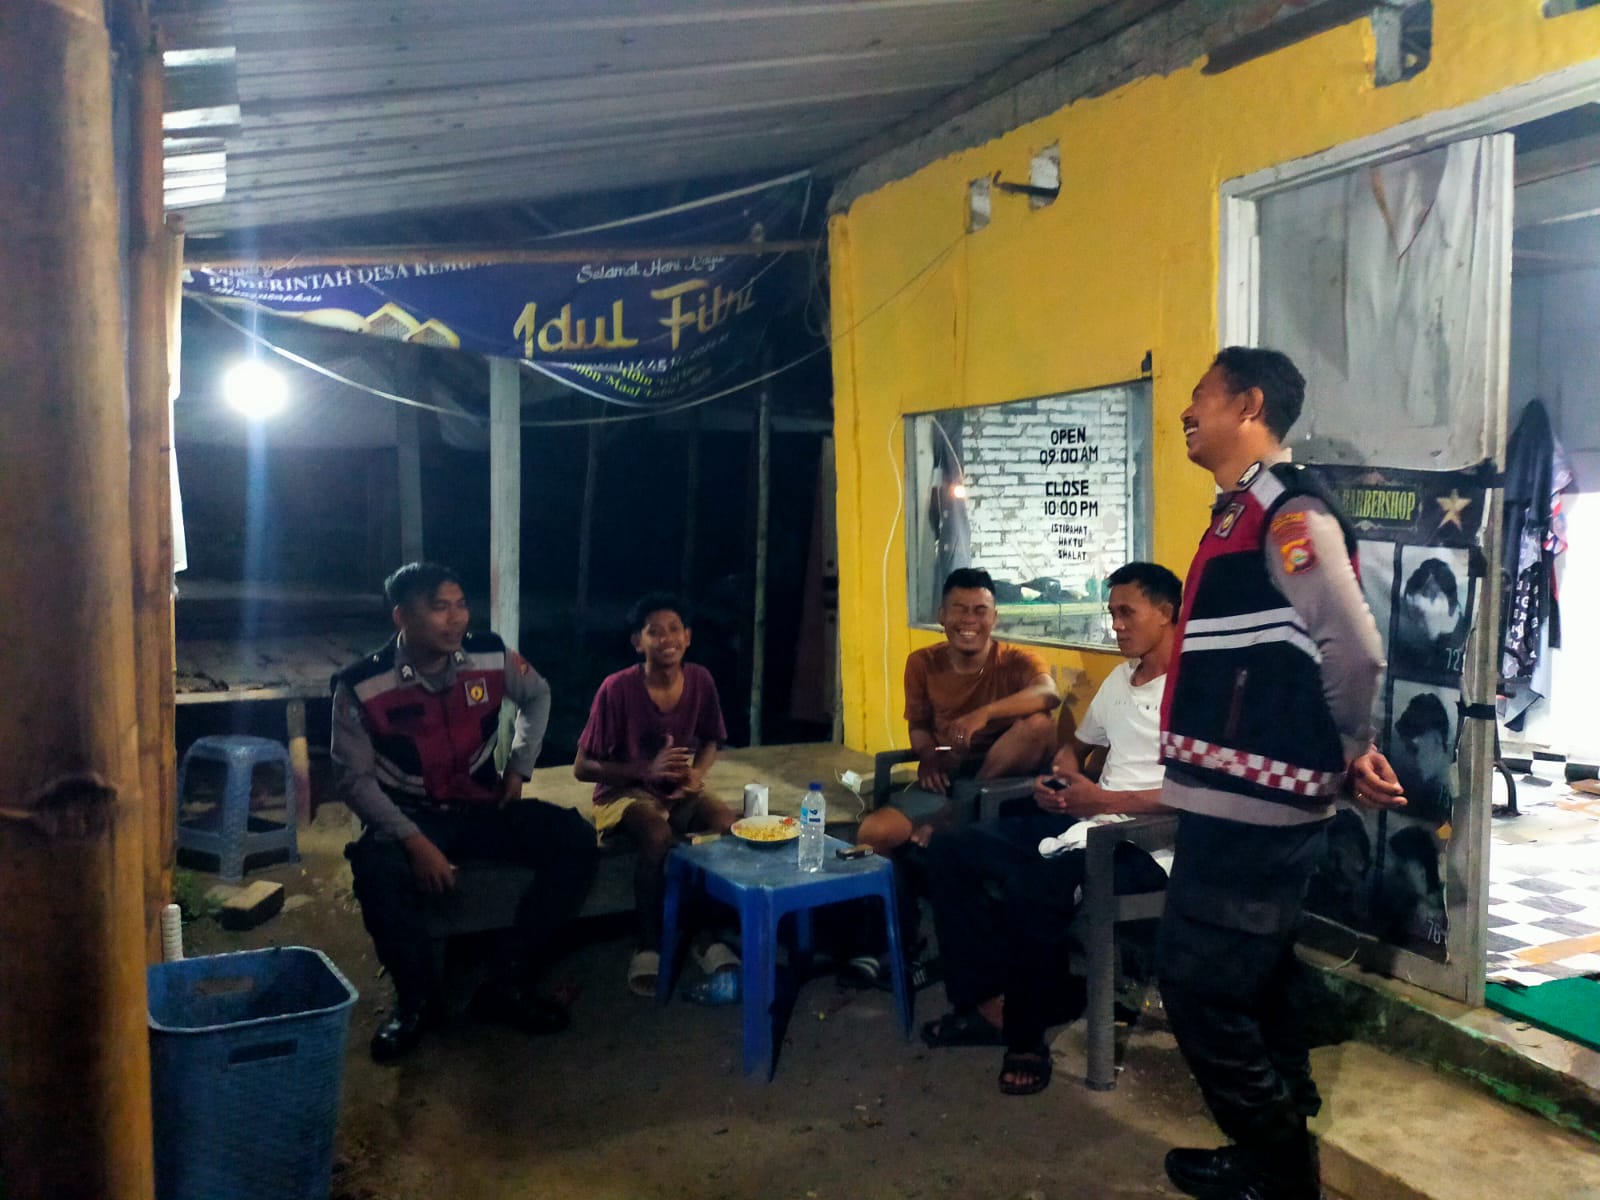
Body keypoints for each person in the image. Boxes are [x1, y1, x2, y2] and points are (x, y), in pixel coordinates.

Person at [1157, 348, 1405, 1200]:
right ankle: (1280, 1133)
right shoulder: (1239, 512)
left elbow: (1356, 651)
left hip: (1255, 805)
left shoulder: (1286, 513)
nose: (1186, 412)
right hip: (1234, 795)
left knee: (1196, 985)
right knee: (1256, 978)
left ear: (1249, 405)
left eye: (1200, 396)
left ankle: (1277, 1166)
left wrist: (1349, 743)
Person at [914, 563, 1179, 1095]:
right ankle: (990, 1002)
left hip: (1146, 844)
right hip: (1088, 820)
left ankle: (1026, 1037)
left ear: (1166, 613)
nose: (1116, 625)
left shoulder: (1192, 690)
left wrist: (1101, 799)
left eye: (1126, 613)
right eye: (1112, 613)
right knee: (949, 850)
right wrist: (1062, 777)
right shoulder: (1120, 680)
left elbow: (1195, 794)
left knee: (1033, 886)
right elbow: (1075, 747)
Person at [333, 562, 598, 1063]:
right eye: (439, 608)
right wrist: (416, 842)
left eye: (460, 605)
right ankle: (415, 1002)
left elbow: (537, 694)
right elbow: (354, 781)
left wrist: (518, 767)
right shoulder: (361, 684)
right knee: (375, 870)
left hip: (481, 805)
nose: (455, 619)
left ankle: (508, 981)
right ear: (401, 617)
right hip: (408, 815)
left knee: (574, 839)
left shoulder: (489, 654)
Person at [574, 593, 738, 999]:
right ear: (638, 642)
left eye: (674, 630)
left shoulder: (700, 680)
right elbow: (582, 766)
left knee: (725, 824)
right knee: (657, 835)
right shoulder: (616, 689)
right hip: (623, 792)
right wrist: (644, 770)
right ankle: (648, 943)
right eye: (654, 631)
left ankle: (704, 935)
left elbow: (712, 740)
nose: (666, 639)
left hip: (676, 790)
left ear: (688, 637)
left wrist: (696, 775)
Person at [857, 566, 1060, 856]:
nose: (969, 620)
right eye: (960, 609)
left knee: (1040, 724)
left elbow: (1049, 694)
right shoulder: (922, 663)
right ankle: (910, 888)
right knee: (872, 833)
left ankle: (956, 813)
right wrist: (928, 756)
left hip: (1003, 783)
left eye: (980, 611)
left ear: (994, 618)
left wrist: (984, 714)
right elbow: (919, 725)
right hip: (949, 779)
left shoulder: (1017, 660)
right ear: (942, 616)